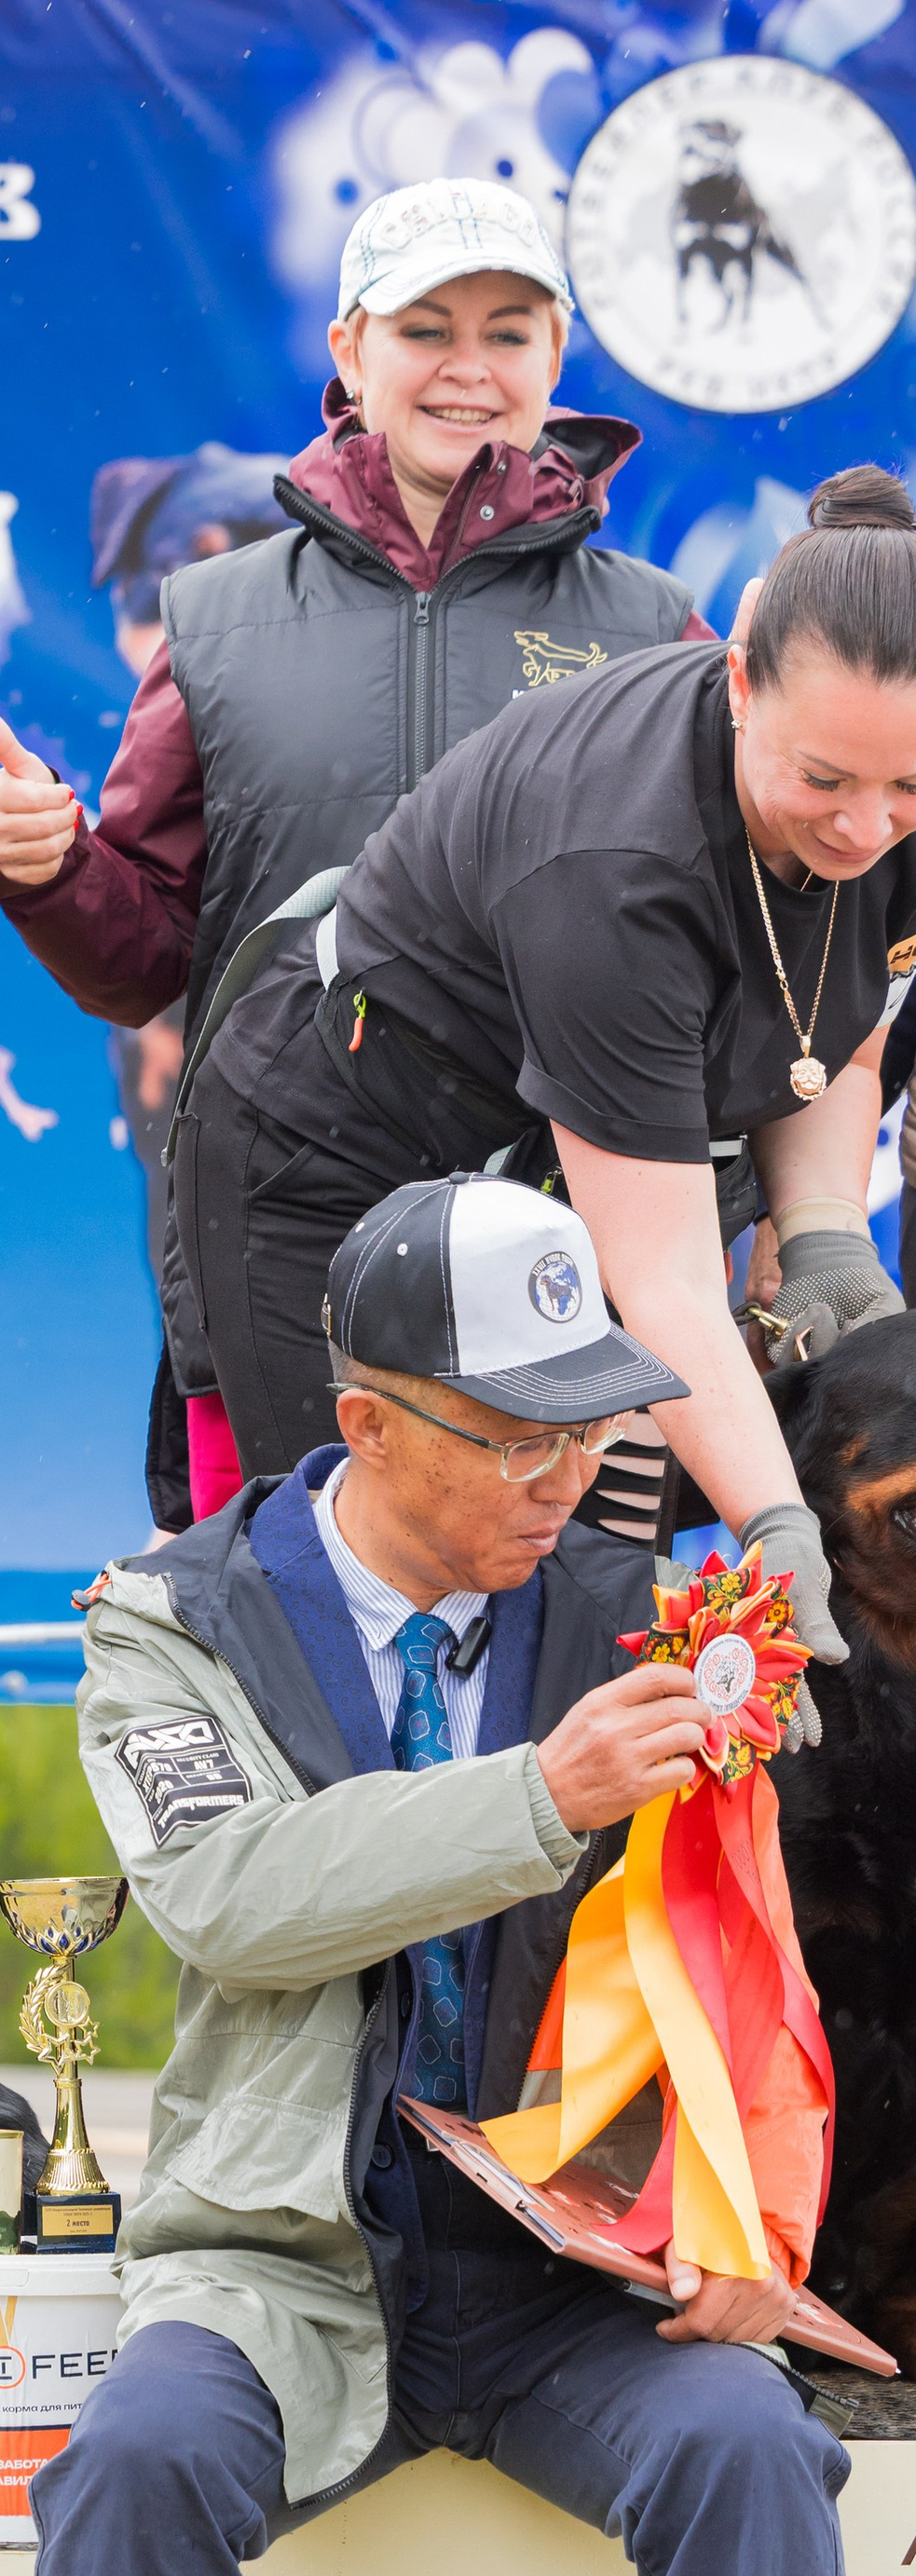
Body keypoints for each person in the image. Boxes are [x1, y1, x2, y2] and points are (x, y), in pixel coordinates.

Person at [1, 1174, 880, 2576]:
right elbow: (232, 1901)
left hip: (569, 2291)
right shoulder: (169, 1618)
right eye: (515, 1434)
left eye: (591, 1423)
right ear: (366, 1419)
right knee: (130, 2457)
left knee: (754, 2450)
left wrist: (735, 2218)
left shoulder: (655, 1616)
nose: (568, 1474)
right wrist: (538, 1793)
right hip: (282, 2265)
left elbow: (746, 1950)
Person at [0, 178, 708, 1531]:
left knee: (554, 1651)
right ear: (350, 353)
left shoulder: (655, 631)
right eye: (426, 329)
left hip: (568, 1268)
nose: (468, 368)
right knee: (293, 1637)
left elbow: (728, 951)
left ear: (556, 357)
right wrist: (54, 869)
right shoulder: (217, 618)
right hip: (275, 1253)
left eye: (508, 332)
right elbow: (146, 959)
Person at [167, 468, 916, 1717]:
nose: (867, 828)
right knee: (372, 1607)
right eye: (825, 781)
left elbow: (827, 1023)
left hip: (581, 1180)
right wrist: (777, 1524)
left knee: (578, 1614)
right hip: (349, 1154)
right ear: (740, 680)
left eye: (909, 792)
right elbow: (664, 1282)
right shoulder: (617, 858)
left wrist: (827, 1228)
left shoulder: (881, 793)